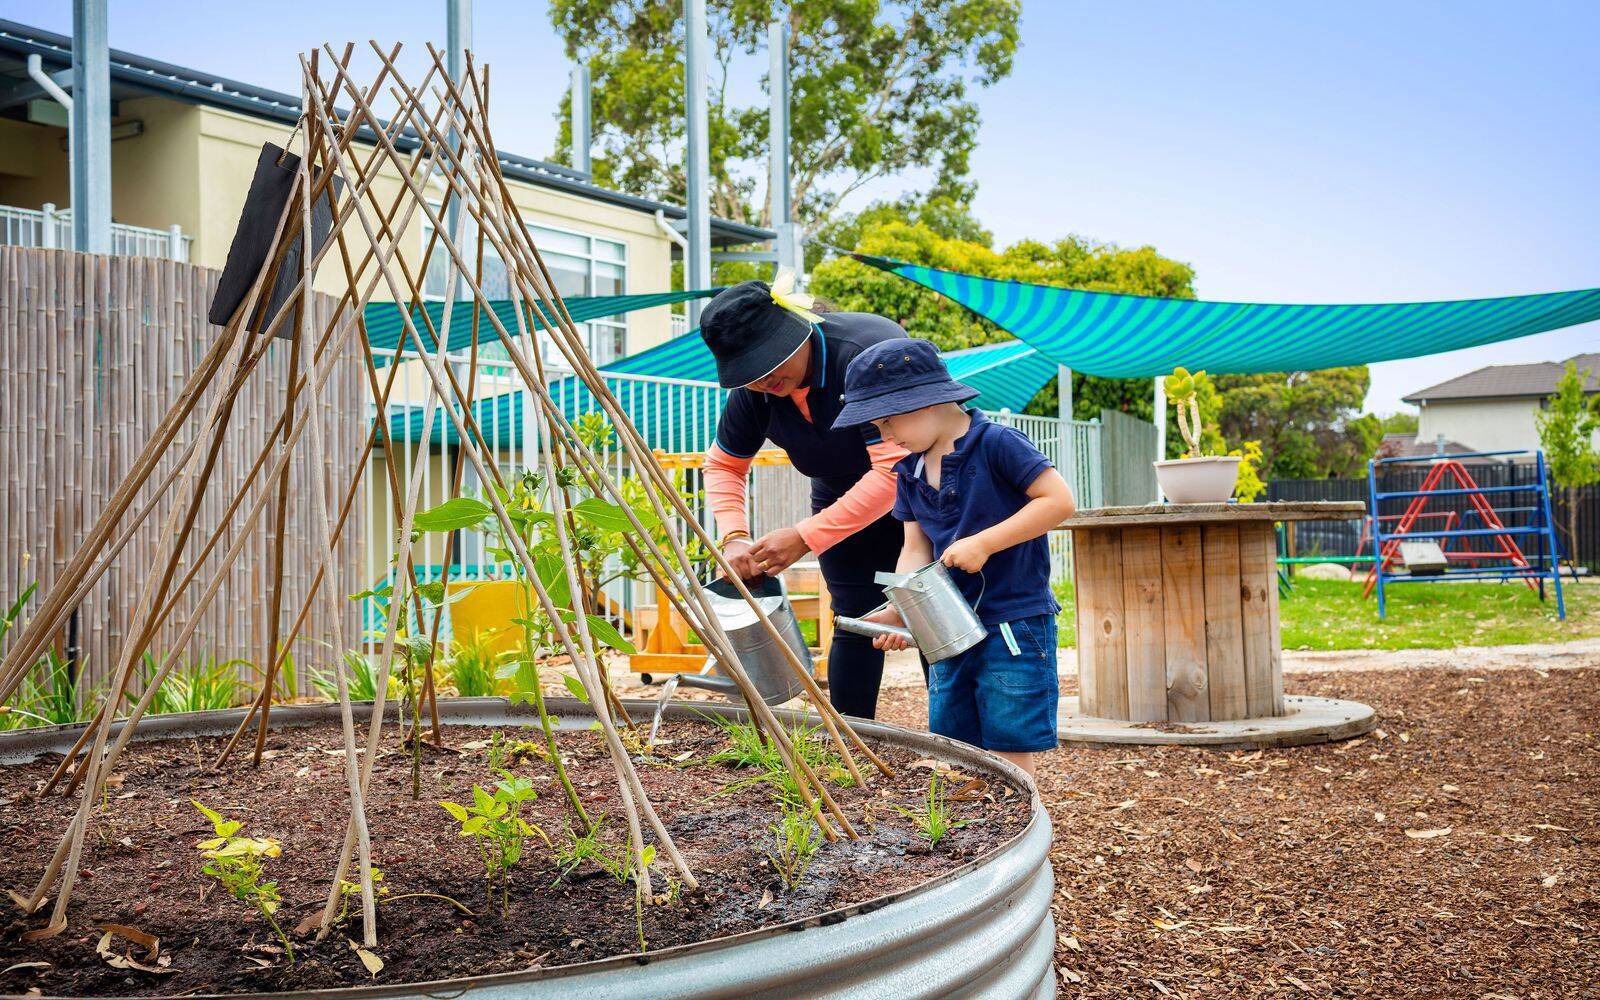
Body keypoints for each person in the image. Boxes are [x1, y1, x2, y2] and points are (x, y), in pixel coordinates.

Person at [832, 338, 1076, 776]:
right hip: (946, 629)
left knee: (1008, 741)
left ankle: (1019, 831)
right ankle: (976, 837)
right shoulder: (907, 472)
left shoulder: (999, 443)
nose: (885, 436)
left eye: (888, 422)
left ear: (925, 403)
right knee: (954, 743)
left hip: (1013, 622)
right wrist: (901, 609)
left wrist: (986, 543)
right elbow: (915, 548)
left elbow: (1057, 501)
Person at [698, 276, 911, 719]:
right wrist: (734, 537)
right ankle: (855, 746)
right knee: (855, 619)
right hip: (840, 493)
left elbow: (894, 470)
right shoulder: (756, 392)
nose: (765, 380)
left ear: (796, 329)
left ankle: (960, 748)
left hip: (925, 490)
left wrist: (804, 536)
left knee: (931, 616)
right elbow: (724, 465)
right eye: (750, 373)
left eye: (770, 362)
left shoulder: (864, 354)